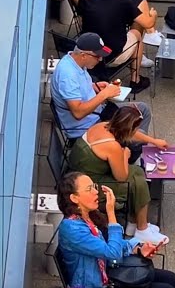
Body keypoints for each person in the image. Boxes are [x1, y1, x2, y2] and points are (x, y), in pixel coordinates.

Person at [67, 105, 167, 245]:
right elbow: (122, 177)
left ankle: (133, 223)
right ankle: (142, 229)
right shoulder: (112, 146)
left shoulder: (103, 126)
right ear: (128, 128)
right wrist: (125, 155)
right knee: (136, 181)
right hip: (92, 184)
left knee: (137, 172)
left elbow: (132, 134)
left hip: (79, 174)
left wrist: (153, 141)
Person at [51, 33, 156, 140]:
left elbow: (77, 88)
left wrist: (94, 86)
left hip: (99, 112)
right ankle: (123, 152)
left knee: (143, 109)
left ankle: (127, 146)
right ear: (83, 55)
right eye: (97, 56)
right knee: (140, 138)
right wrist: (103, 95)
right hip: (87, 127)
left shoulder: (76, 61)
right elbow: (78, 113)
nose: (100, 59)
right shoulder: (68, 75)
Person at [77, 0, 156, 92]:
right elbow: (148, 23)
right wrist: (153, 14)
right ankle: (135, 81)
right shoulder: (122, 0)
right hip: (110, 55)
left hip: (87, 50)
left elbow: (82, 13)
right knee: (137, 31)